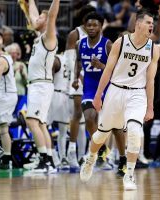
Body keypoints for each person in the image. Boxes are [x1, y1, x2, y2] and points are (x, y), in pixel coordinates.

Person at [80, 9, 159, 190]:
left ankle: (129, 175)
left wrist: (150, 107)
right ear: (138, 24)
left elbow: (150, 80)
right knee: (101, 134)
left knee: (133, 131)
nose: (151, 26)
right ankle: (90, 159)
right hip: (115, 91)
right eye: (148, 23)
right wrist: (99, 95)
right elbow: (107, 71)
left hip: (137, 94)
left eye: (152, 24)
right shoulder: (121, 42)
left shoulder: (153, 49)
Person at [73, 12, 126, 176]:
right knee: (89, 117)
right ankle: (102, 148)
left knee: (116, 129)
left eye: (95, 25)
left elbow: (118, 71)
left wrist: (102, 65)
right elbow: (78, 62)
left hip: (108, 88)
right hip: (89, 87)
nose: (91, 28)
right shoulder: (79, 44)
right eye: (88, 25)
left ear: (101, 26)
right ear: (84, 26)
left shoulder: (108, 45)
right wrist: (76, 77)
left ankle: (123, 160)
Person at [25, 0, 59, 172]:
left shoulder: (49, 37)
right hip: (39, 85)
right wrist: (30, 1)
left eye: (40, 17)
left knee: (31, 121)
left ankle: (44, 161)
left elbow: (52, 15)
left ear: (46, 22)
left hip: (41, 85)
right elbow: (32, 16)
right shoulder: (39, 38)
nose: (35, 19)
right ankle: (49, 160)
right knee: (41, 124)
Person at [65, 5, 95, 168]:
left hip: (92, 78)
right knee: (78, 114)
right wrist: (79, 75)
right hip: (78, 77)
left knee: (91, 117)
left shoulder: (96, 33)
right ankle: (71, 153)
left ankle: (90, 154)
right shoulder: (74, 34)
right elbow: (69, 61)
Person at [46, 54, 70, 168]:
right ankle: (63, 157)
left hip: (54, 93)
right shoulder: (70, 59)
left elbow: (48, 77)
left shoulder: (56, 59)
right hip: (66, 94)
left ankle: (53, 157)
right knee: (63, 131)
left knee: (45, 126)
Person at [0, 36, 18, 169]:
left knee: (3, 128)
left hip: (5, 96)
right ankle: (5, 158)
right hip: (6, 95)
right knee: (3, 129)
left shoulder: (2, 60)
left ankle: (6, 158)